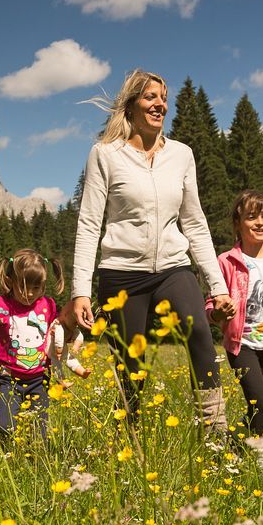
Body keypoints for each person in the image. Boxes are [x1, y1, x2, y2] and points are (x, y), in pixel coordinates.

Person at [67, 69, 235, 436]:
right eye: (149, 97)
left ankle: (215, 434)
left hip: (174, 267)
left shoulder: (181, 155)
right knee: (132, 365)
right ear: (131, 105)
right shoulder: (105, 155)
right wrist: (81, 289)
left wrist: (217, 286)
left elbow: (194, 223)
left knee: (200, 334)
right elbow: (89, 223)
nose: (159, 104)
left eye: (163, 98)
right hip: (122, 273)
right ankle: (127, 442)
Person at [207, 190, 263, 451]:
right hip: (241, 346)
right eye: (252, 216)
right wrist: (218, 314)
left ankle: (234, 447)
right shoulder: (225, 262)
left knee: (260, 409)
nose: (260, 223)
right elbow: (209, 306)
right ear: (238, 223)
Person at [0, 249, 69, 441]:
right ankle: (7, 457)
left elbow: (56, 334)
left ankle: (36, 460)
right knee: (6, 427)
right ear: (10, 281)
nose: (30, 293)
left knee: (40, 431)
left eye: (36, 287)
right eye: (23, 286)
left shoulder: (48, 305)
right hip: (9, 381)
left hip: (39, 380)